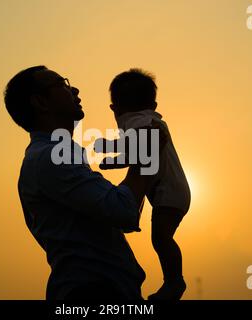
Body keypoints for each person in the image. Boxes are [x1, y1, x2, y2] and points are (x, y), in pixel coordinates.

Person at [4, 65, 160, 300]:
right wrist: (147, 154)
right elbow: (123, 210)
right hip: (93, 294)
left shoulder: (55, 156)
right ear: (40, 102)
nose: (74, 89)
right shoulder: (50, 159)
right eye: (62, 84)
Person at [98, 68, 191, 300]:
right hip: (172, 191)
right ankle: (173, 281)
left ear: (114, 108)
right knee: (161, 236)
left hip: (169, 193)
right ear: (155, 104)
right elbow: (139, 150)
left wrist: (111, 158)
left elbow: (141, 150)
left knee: (161, 238)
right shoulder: (148, 119)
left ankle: (174, 282)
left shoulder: (136, 122)